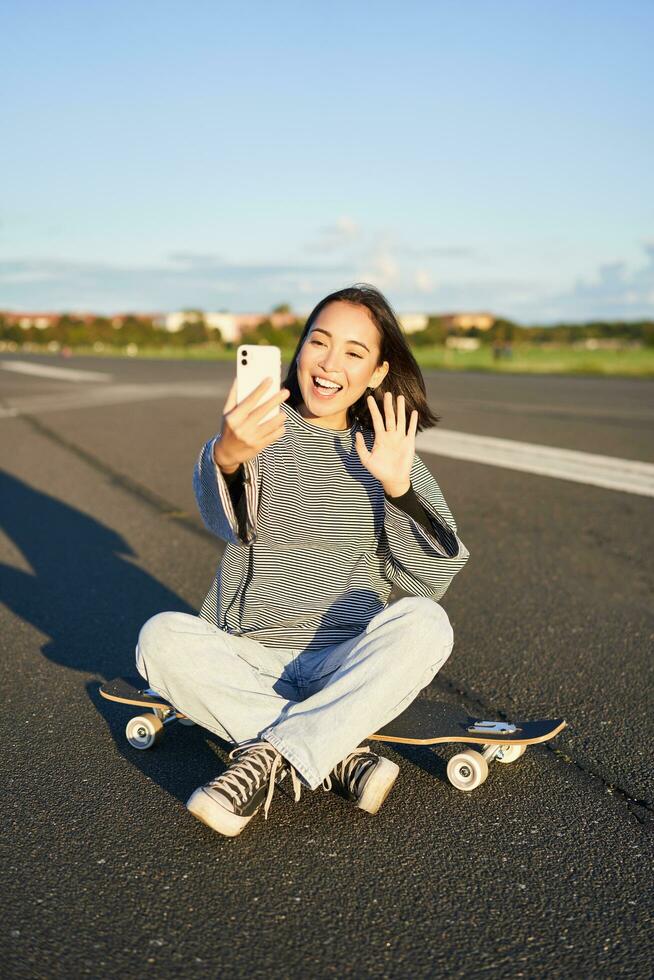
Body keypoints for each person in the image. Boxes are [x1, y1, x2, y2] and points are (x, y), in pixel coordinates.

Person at [135, 283, 470, 838]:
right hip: (249, 658)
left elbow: (430, 578)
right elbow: (227, 521)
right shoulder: (258, 431)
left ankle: (269, 753)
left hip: (341, 664)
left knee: (427, 626)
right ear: (300, 348)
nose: (329, 363)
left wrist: (399, 487)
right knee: (159, 637)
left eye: (354, 352)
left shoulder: (385, 453)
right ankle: (331, 753)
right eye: (320, 341)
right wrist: (228, 453)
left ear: (379, 373)